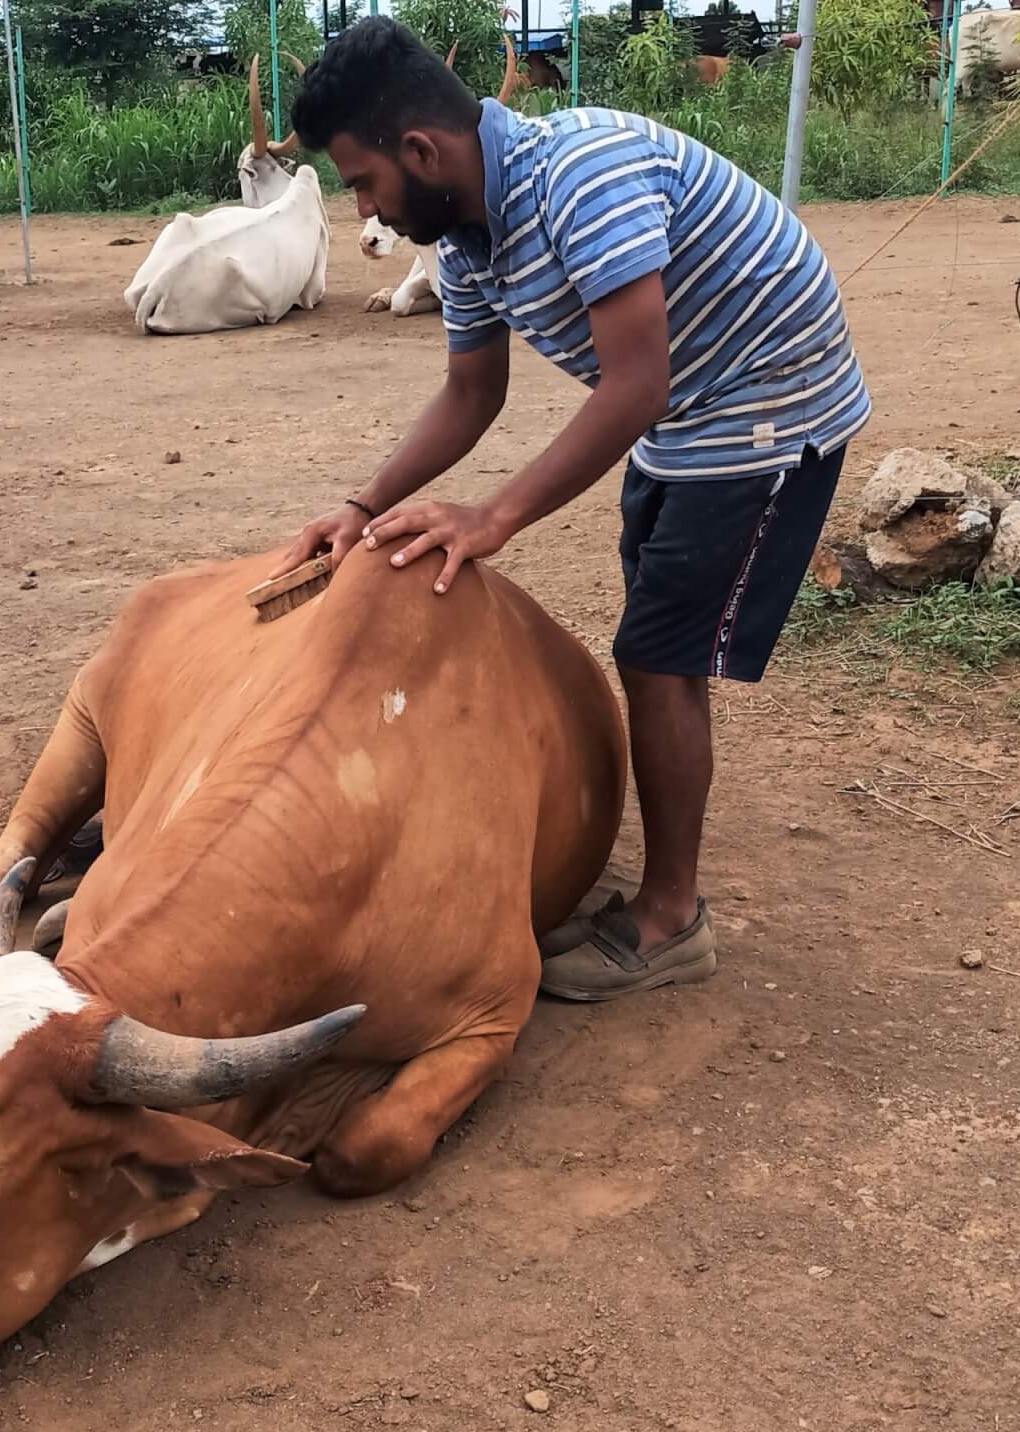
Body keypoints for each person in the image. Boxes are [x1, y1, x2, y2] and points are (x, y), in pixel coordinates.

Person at [273, 19, 869, 1001]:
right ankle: (665, 871)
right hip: (686, 404)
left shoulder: (579, 177)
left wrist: (493, 517)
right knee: (655, 626)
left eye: (363, 182)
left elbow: (632, 383)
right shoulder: (463, 236)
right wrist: (360, 504)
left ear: (419, 152)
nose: (366, 208)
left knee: (656, 650)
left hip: (768, 395)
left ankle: (670, 921)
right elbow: (473, 393)